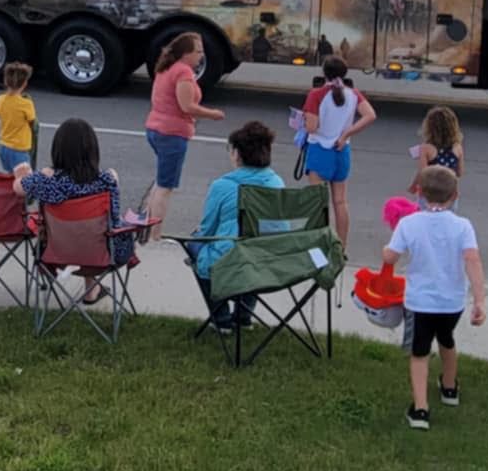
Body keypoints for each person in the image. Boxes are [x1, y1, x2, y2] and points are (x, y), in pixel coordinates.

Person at [383, 164, 485, 431]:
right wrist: (479, 300)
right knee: (447, 339)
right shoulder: (463, 226)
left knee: (419, 352)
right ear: (455, 195)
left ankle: (420, 409)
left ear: (419, 192)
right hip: (451, 302)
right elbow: (472, 260)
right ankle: (449, 388)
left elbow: (391, 257)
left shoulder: (409, 223)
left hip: (420, 303)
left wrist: (387, 250)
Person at [14, 117, 133, 304]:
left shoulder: (46, 181)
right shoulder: (108, 179)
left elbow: (18, 189)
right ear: (93, 151)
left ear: (57, 150)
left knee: (78, 232)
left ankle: (90, 290)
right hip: (104, 255)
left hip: (55, 254)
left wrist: (22, 175)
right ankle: (91, 291)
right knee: (96, 231)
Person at [186, 119, 285, 330]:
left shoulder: (223, 186)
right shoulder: (277, 183)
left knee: (194, 247)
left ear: (237, 154)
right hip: (267, 261)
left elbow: (208, 229)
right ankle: (243, 316)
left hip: (231, 260)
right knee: (251, 248)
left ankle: (221, 319)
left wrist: (196, 236)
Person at [143, 31, 224, 235]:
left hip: (155, 128)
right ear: (185, 54)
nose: (201, 56)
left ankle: (146, 228)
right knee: (165, 187)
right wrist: (213, 114)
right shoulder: (183, 72)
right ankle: (155, 235)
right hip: (172, 133)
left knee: (160, 182)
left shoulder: (167, 67)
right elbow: (187, 106)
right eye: (198, 51)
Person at [300, 54, 377, 252]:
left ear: (323, 73)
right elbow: (370, 115)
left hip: (319, 150)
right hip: (342, 150)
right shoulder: (353, 94)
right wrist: (346, 134)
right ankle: (341, 247)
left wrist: (300, 121)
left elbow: (311, 126)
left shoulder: (316, 95)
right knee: (340, 202)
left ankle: (319, 244)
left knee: (317, 202)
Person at [0, 61, 37, 175]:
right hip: (19, 149)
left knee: (11, 176)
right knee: (25, 182)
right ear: (25, 83)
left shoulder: (0, 99)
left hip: (4, 147)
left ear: (5, 81)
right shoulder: (26, 103)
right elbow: (32, 121)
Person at [410, 106, 463, 194]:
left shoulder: (426, 148)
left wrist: (413, 186)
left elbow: (423, 173)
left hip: (429, 191)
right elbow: (459, 173)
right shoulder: (458, 147)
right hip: (449, 191)